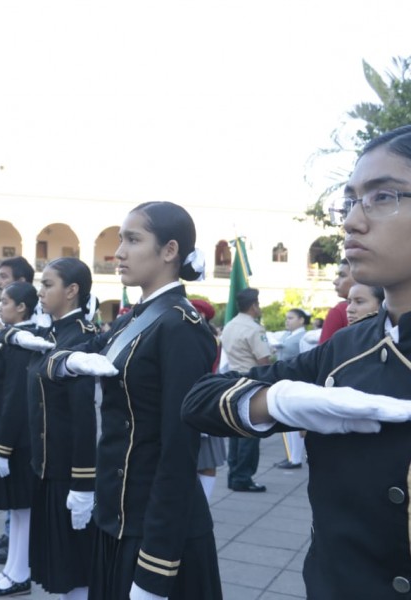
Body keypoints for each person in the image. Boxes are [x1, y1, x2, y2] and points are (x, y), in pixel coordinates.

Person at [181, 124, 411, 598]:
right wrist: (278, 401)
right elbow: (200, 401)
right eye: (348, 202)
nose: (351, 222)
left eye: (382, 196)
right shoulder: (347, 350)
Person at [36, 204, 222, 600]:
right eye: (121, 239)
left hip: (156, 530)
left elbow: (178, 450)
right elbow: (50, 363)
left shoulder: (181, 328)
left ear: (170, 250)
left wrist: (157, 567)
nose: (118, 251)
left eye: (133, 240)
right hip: (118, 517)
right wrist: (70, 361)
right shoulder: (132, 320)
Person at [23, 257, 98, 600]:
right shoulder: (52, 334)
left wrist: (84, 482)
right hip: (48, 467)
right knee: (60, 562)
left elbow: (87, 417)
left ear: (72, 291)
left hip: (69, 469)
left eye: (48, 284)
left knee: (76, 564)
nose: (40, 291)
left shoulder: (83, 339)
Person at [0, 282, 39, 597]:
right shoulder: (12, 339)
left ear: (21, 308)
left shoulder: (21, 343)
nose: (0, 307)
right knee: (16, 511)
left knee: (22, 509)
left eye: (5, 301)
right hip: (9, 437)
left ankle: (20, 572)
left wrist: (2, 447)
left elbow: (15, 400)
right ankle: (13, 569)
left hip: (17, 441)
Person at [221, 287, 272, 492]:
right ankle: (243, 477)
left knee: (235, 430)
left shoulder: (230, 326)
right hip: (251, 381)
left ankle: (234, 474)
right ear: (253, 305)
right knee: (251, 431)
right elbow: (264, 361)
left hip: (233, 379)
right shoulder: (254, 329)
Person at [190, 298, 227, 502]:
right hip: (195, 399)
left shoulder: (208, 338)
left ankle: (203, 502)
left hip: (203, 399)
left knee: (206, 460)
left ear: (202, 315)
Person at [273, 308, 311, 470]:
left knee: (295, 423)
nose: (287, 321)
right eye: (287, 318)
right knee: (287, 422)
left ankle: (296, 458)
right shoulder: (286, 335)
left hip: (297, 381)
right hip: (285, 381)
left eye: (291, 318)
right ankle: (291, 456)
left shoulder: (306, 337)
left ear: (301, 320)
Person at [319, 258, 355, 343]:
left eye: (342, 275)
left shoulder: (339, 311)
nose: (335, 281)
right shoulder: (386, 306)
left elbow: (324, 353)